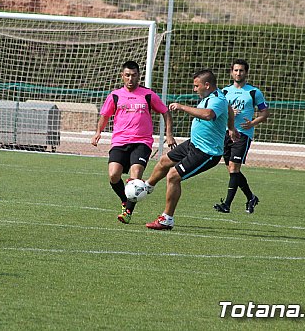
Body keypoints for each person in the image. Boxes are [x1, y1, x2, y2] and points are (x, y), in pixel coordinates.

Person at [144, 69, 237, 231]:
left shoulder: (216, 99)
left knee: (173, 176)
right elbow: (229, 109)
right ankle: (146, 187)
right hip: (193, 144)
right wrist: (231, 128)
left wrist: (181, 107)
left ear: (207, 85)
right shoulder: (213, 96)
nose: (194, 89)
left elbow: (208, 114)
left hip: (207, 152)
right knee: (164, 161)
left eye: (196, 86)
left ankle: (167, 219)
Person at [91, 60, 176, 224]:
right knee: (113, 175)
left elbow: (165, 112)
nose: (131, 79)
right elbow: (105, 115)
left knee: (135, 178)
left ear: (139, 76)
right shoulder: (115, 95)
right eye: (127, 75)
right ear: (122, 76)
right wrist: (98, 132)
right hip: (120, 141)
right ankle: (125, 200)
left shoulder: (148, 94)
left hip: (142, 142)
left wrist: (169, 134)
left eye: (134, 75)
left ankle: (128, 211)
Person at [213, 59, 269, 214]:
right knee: (232, 171)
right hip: (226, 133)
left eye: (241, 70)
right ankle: (251, 197)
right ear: (231, 72)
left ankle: (227, 205)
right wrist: (229, 113)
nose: (238, 73)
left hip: (243, 134)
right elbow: (217, 112)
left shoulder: (253, 92)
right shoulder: (224, 92)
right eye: (236, 70)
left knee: (234, 168)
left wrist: (252, 123)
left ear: (246, 73)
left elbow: (265, 113)